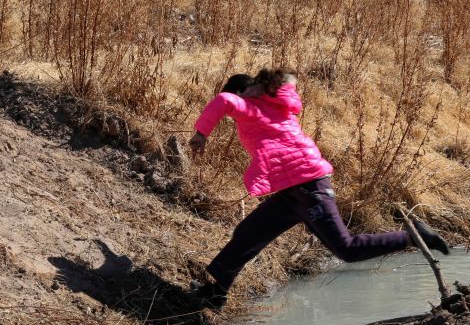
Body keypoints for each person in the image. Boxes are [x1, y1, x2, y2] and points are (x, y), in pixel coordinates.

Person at [189, 69, 450, 309]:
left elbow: (223, 100)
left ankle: (414, 236)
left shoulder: (249, 106)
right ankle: (217, 291)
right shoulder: (277, 107)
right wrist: (266, 84)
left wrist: (201, 133)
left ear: (242, 92)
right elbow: (287, 79)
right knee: (249, 233)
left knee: (346, 248)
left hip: (308, 187)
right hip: (294, 191)